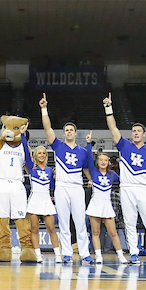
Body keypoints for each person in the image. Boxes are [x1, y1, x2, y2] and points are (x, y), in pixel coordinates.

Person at [102, 94, 146, 264]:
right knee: (129, 223)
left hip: (143, 189)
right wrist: (108, 108)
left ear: (144, 134)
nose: (136, 133)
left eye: (139, 131)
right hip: (126, 189)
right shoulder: (124, 145)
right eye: (134, 131)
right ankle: (133, 252)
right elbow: (113, 128)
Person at [39, 94, 94, 264]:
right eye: (66, 130)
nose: (69, 132)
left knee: (80, 221)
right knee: (63, 222)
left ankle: (84, 253)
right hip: (61, 187)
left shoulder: (83, 151)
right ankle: (67, 253)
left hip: (77, 187)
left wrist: (91, 180)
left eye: (71, 130)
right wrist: (44, 109)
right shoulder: (58, 146)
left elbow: (86, 169)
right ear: (64, 134)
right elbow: (48, 129)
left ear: (76, 133)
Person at [86, 152, 126, 264]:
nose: (103, 162)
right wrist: (88, 143)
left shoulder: (112, 174)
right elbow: (89, 159)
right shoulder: (93, 172)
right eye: (101, 160)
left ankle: (121, 256)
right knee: (95, 232)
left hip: (107, 205)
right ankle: (98, 256)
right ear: (97, 162)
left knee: (113, 232)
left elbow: (124, 180)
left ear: (108, 162)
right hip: (95, 204)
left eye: (105, 160)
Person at [26, 144, 59, 261]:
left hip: (46, 199)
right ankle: (38, 255)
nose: (42, 155)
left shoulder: (50, 170)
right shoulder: (31, 168)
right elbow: (25, 151)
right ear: (35, 155)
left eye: (44, 153)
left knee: (51, 228)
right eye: (39, 153)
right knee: (34, 229)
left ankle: (58, 255)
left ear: (46, 156)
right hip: (35, 199)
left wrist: (54, 178)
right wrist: (23, 135)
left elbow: (52, 187)